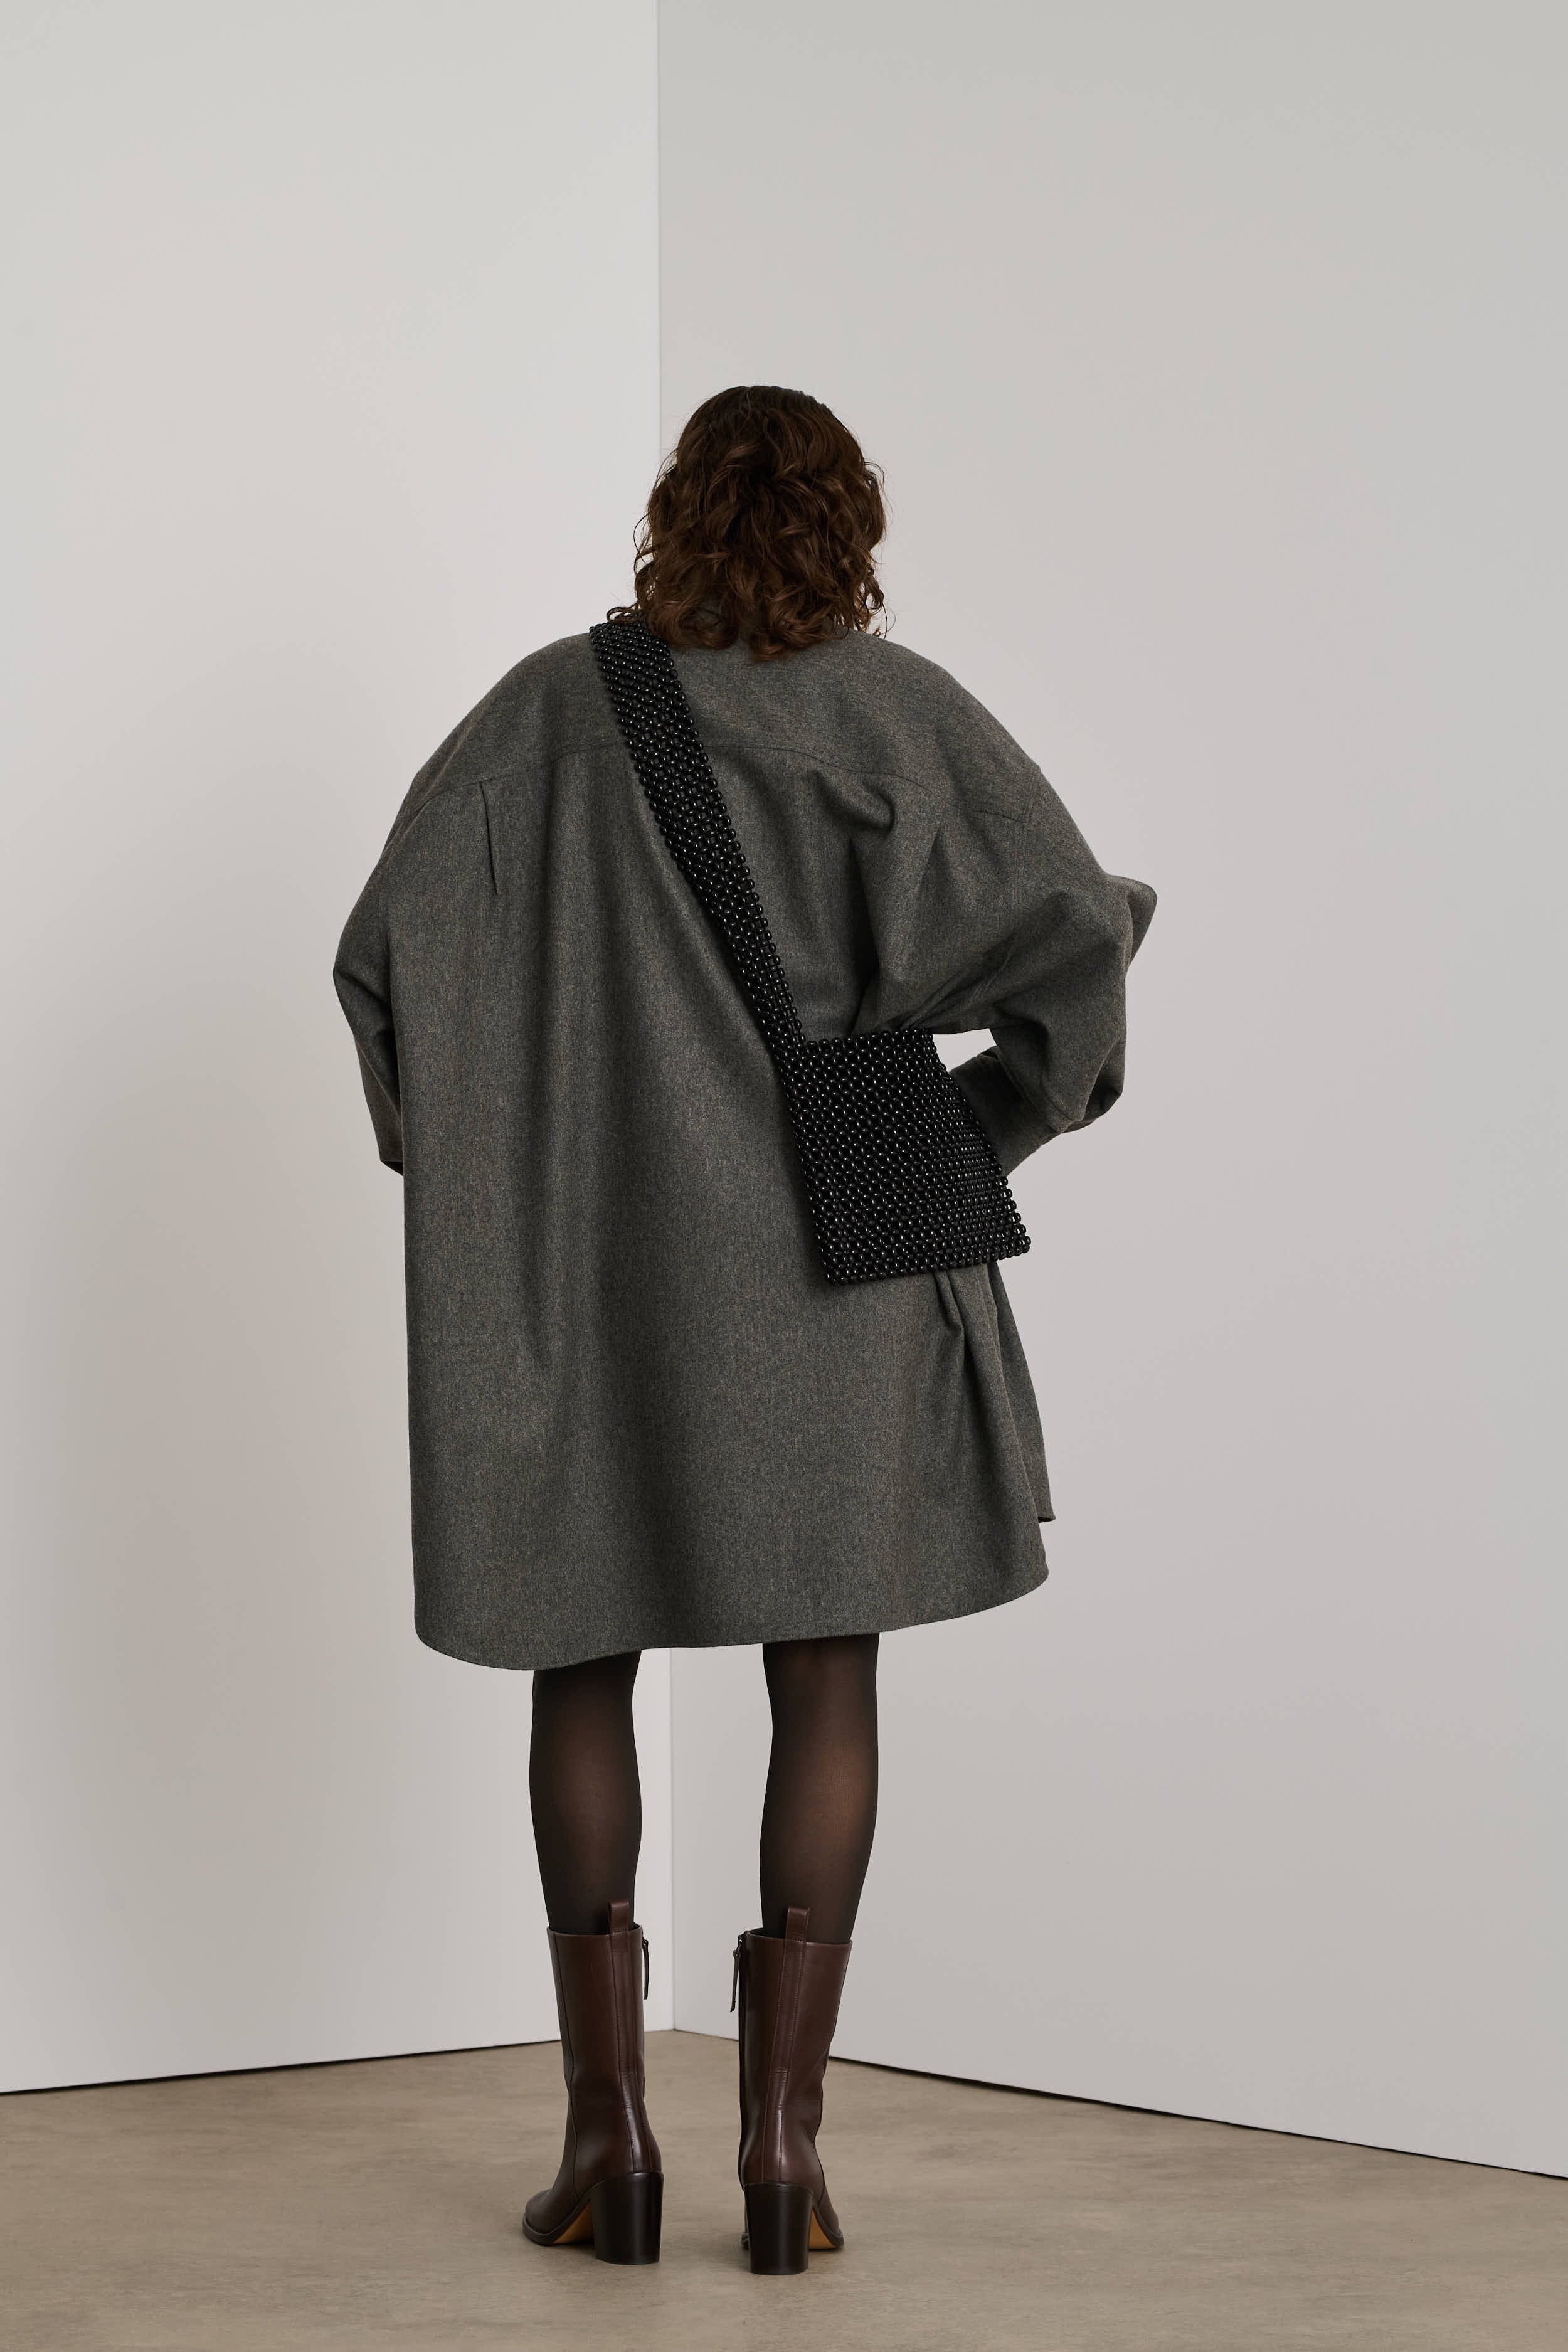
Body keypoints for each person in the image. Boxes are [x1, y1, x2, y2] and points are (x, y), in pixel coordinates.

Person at [333, 384, 1155, 2274]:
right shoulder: (898, 715)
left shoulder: (545, 715)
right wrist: (973, 1124)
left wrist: (495, 1177)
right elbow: (1077, 957)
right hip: (840, 1266)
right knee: (826, 1676)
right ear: (850, 523)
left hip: (593, 1276)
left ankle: (607, 2146)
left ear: (673, 514)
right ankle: (783, 2156)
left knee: (579, 1657)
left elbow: (384, 968)